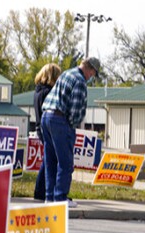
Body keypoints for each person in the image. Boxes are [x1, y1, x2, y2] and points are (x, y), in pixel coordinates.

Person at [40, 57, 100, 207]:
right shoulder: (80, 81)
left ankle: (49, 196)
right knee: (65, 162)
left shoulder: (66, 73)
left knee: (50, 160)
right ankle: (60, 197)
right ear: (90, 68)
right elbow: (75, 110)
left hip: (46, 116)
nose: (91, 76)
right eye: (93, 73)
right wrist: (72, 126)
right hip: (60, 120)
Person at [32, 63, 62, 201]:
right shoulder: (48, 92)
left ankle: (41, 190)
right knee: (50, 160)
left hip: (39, 126)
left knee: (47, 159)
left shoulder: (37, 91)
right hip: (48, 128)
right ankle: (42, 191)